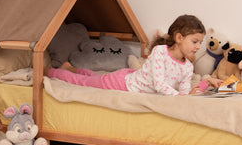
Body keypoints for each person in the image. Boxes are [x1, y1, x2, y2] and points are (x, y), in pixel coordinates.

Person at [45, 14, 223, 96]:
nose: (198, 46)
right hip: (123, 83)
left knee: (94, 77)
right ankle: (53, 71)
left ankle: (72, 68)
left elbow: (184, 93)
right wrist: (180, 97)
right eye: (195, 41)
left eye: (200, 42)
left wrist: (204, 83)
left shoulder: (188, 66)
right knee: (85, 83)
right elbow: (159, 84)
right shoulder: (160, 53)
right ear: (178, 38)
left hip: (132, 79)